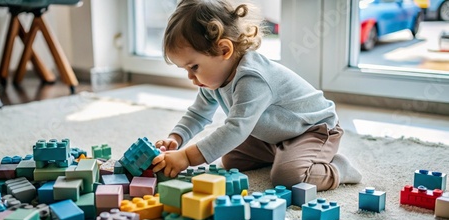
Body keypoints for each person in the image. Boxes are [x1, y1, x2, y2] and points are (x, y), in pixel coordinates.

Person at [151, 0, 362, 191]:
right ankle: (283, 153)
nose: (190, 76)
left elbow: (236, 128)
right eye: (185, 69)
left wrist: (187, 157)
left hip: (313, 129)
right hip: (277, 134)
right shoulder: (211, 80)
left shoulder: (252, 79)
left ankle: (339, 169)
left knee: (287, 177)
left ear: (224, 50)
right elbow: (198, 114)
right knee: (232, 159)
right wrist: (175, 138)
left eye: (194, 66)